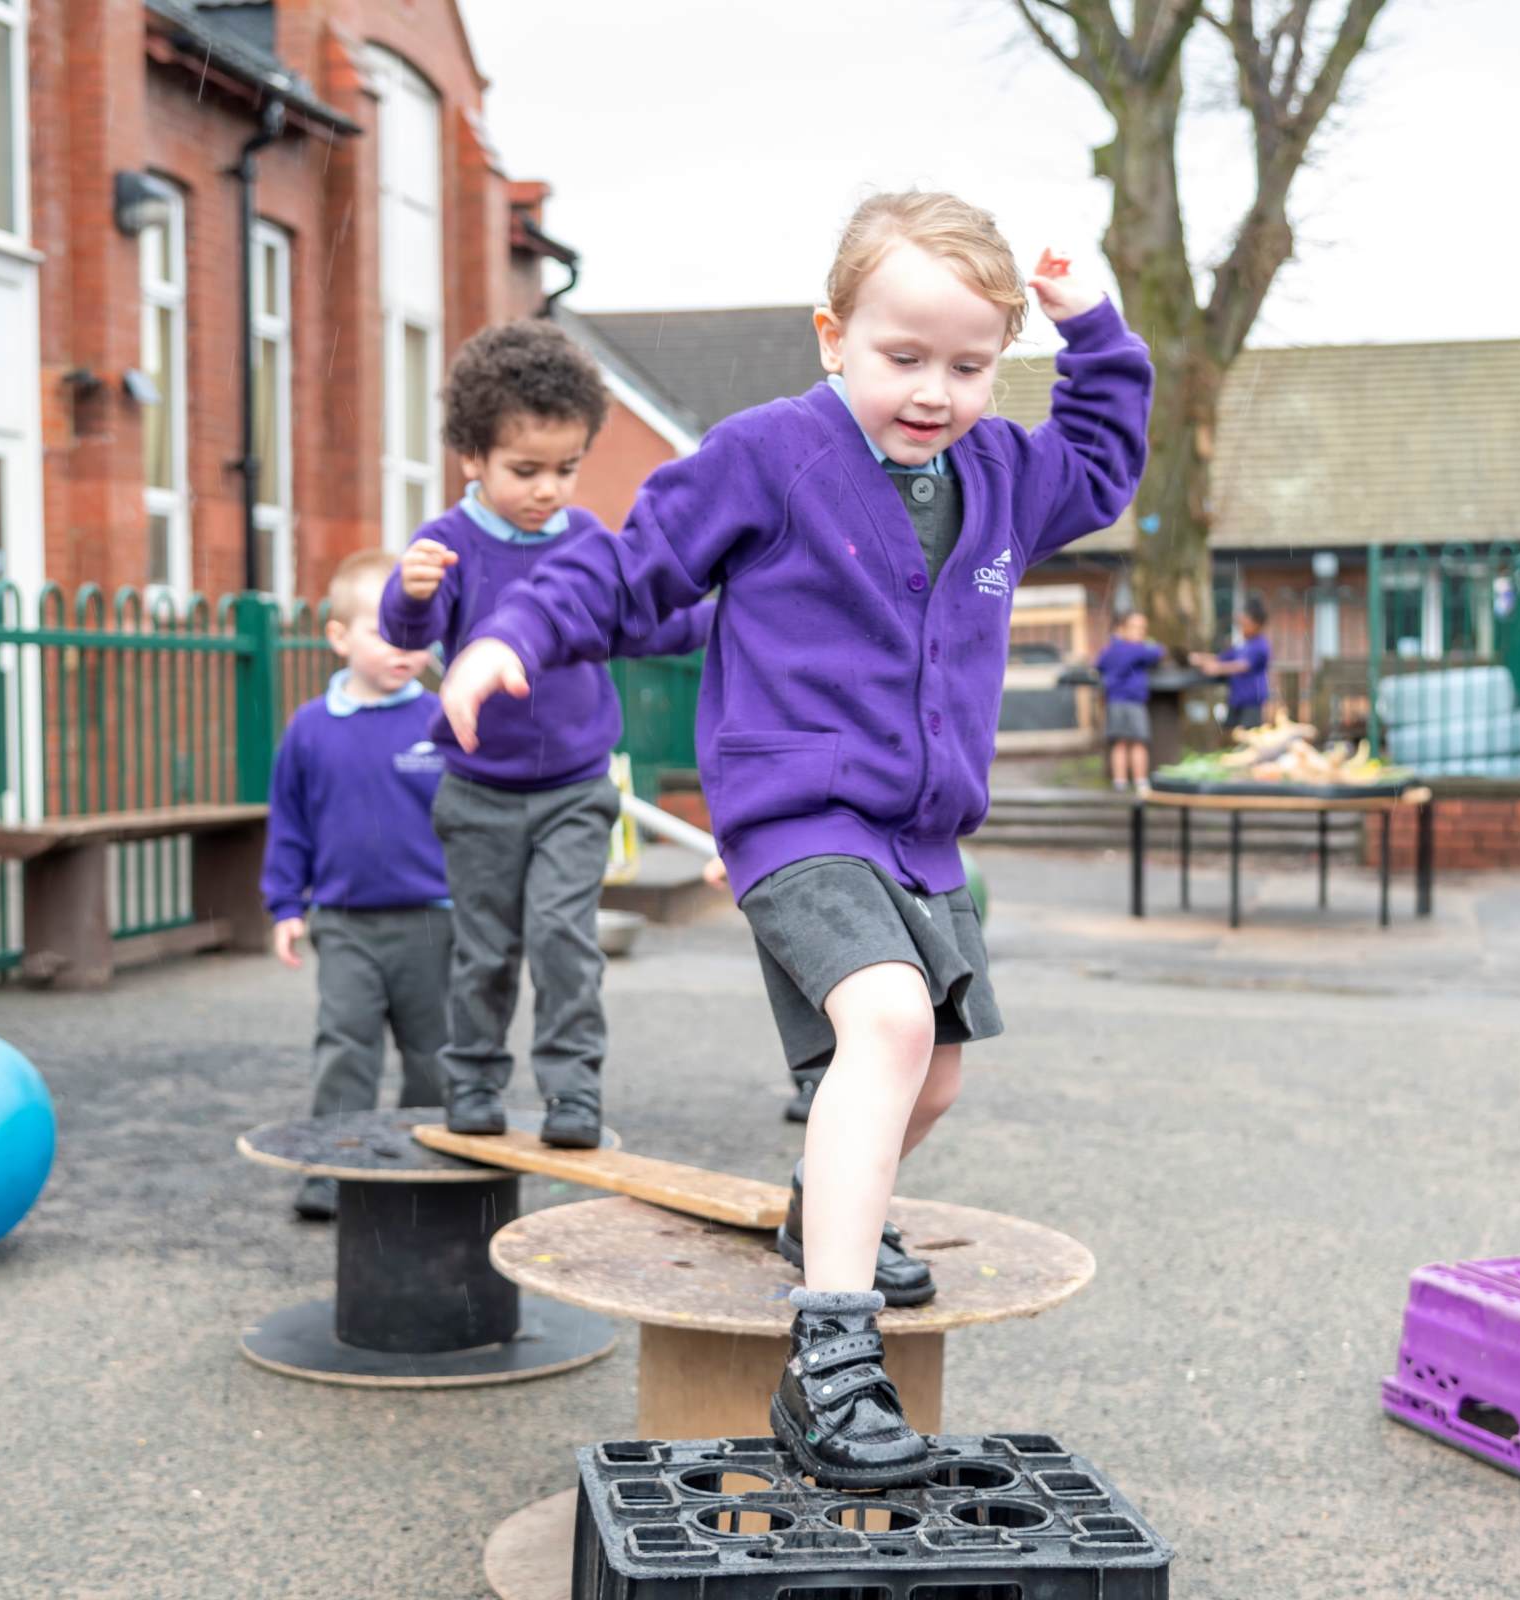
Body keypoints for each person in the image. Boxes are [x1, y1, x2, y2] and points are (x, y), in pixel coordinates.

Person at [435, 193, 1152, 1486]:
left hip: (924, 839)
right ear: (834, 337)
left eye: (968, 364)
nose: (933, 390)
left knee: (929, 1077)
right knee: (885, 1025)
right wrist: (507, 635)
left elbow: (1102, 460)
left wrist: (1092, 328)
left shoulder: (998, 475)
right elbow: (626, 564)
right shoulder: (768, 456)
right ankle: (829, 1367)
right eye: (902, 356)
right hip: (796, 817)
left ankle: (823, 1216)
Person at [379, 321, 712, 1151]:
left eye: (565, 469)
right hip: (479, 793)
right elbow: (408, 633)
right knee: (485, 949)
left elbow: (643, 625)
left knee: (565, 942)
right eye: (525, 471)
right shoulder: (448, 544)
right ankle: (476, 1082)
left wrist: (723, 616)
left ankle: (572, 1094)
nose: (548, 490)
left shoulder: (590, 544)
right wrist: (409, 592)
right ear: (473, 460)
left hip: (573, 787)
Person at [260, 550, 452, 1221]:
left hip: (435, 920)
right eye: (385, 629)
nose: (405, 644)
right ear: (338, 637)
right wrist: (286, 904)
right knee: (345, 1049)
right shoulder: (309, 728)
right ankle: (333, 1168)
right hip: (344, 921)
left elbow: (477, 821)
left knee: (435, 1055)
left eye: (417, 628)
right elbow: (289, 821)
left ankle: (425, 1163)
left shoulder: (444, 718)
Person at [1095, 609, 1164, 789]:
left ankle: (1120, 781)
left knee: (1119, 742)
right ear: (1122, 629)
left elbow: (1099, 664)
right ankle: (1141, 780)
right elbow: (1158, 652)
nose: (1140, 632)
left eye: (1143, 628)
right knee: (1138, 742)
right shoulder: (1137, 649)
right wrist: (1150, 644)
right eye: (1135, 627)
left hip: (1114, 702)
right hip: (1133, 702)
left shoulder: (1110, 649)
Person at [1192, 598, 1271, 731]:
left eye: (1246, 624)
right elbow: (1221, 658)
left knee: (1248, 735)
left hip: (1252, 701)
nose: (1242, 627)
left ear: (1256, 624)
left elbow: (1242, 665)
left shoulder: (1261, 645)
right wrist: (1198, 658)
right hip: (1236, 699)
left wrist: (1217, 669)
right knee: (1230, 733)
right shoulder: (1241, 645)